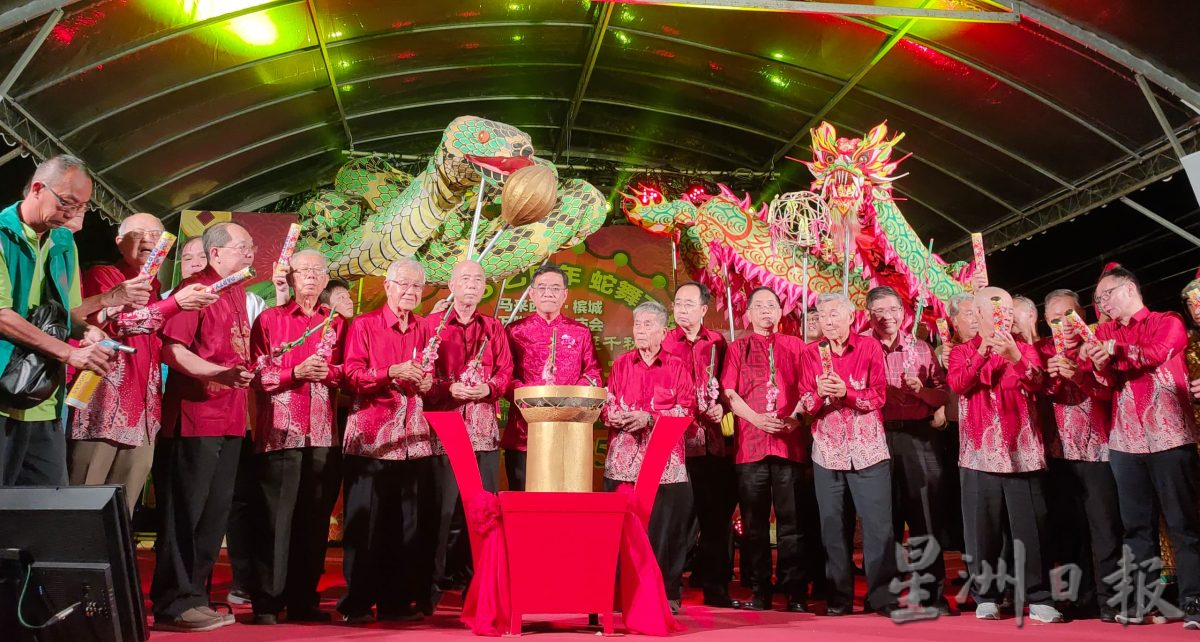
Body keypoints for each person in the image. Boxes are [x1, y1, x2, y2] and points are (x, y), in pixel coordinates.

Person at [67, 213, 217, 514]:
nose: (149, 239)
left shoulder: (157, 289)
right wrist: (175, 304)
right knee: (82, 503)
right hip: (103, 407)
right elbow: (125, 323)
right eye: (139, 233)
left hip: (144, 414)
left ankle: (116, 561)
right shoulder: (104, 276)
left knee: (122, 509)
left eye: (156, 233)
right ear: (120, 242)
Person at [150, 221, 257, 632]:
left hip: (230, 419)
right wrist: (219, 373)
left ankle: (195, 596)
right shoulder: (195, 290)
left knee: (214, 515)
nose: (250, 254)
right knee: (186, 513)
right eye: (242, 247)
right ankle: (173, 602)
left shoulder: (236, 292)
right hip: (196, 419)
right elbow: (173, 351)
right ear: (215, 254)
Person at [1088, 265, 1200, 628]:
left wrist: (1113, 350)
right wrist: (1099, 367)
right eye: (1099, 298)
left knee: (1184, 522)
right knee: (1136, 527)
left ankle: (1194, 600)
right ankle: (1142, 601)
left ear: (1130, 288)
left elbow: (1156, 353)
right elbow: (1103, 388)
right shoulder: (1104, 333)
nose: (1103, 303)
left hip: (1170, 435)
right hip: (1126, 441)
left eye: (1108, 295)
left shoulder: (1166, 321)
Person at [0, 155, 123, 486]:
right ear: (38, 188)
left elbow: (66, 315)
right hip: (2, 395)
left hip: (44, 399)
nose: (72, 214)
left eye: (81, 207)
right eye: (67, 203)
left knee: (50, 517)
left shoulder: (64, 241)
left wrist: (91, 332)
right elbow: (2, 316)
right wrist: (69, 353)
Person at [947, 286, 1062, 624]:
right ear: (977, 314)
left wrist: (1014, 356)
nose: (1004, 315)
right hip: (978, 455)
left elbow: (1040, 383)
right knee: (982, 530)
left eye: (1008, 309)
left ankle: (1038, 596)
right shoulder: (960, 352)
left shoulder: (1026, 349)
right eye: (996, 310)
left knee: (1030, 528)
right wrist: (984, 351)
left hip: (1021, 454)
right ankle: (987, 595)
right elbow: (959, 384)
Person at [246, 249, 345, 625]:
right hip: (280, 433)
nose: (310, 277)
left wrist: (329, 373)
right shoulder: (270, 319)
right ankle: (267, 603)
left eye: (318, 272)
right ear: (290, 276)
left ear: (324, 281)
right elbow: (259, 375)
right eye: (303, 271)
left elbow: (347, 374)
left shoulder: (335, 323)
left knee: (314, 521)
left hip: (322, 433)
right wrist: (296, 372)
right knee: (275, 519)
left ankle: (304, 599)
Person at [337, 258, 435, 623]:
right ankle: (357, 603)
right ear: (388, 286)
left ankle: (396, 601)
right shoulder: (365, 325)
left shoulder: (425, 328)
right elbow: (351, 375)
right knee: (366, 525)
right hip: (371, 437)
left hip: (412, 438)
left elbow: (432, 375)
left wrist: (427, 382)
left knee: (403, 525)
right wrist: (391, 371)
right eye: (403, 285)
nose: (410, 292)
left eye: (416, 287)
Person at [798, 293, 897, 617]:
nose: (828, 320)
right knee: (832, 528)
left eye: (834, 314)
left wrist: (847, 393)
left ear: (851, 317)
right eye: (823, 316)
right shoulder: (811, 353)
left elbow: (879, 395)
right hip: (828, 451)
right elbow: (805, 404)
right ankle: (839, 599)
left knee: (877, 526)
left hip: (868, 450)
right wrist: (818, 395)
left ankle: (882, 596)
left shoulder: (868, 347)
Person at [425, 259, 513, 595]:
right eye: (465, 278)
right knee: (442, 510)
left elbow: (506, 372)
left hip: (483, 434)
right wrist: (447, 388)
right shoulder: (431, 325)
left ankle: (476, 581)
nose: (472, 285)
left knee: (480, 509)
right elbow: (421, 376)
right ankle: (431, 583)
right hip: (443, 432)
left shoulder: (493, 328)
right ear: (451, 285)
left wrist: (488, 389)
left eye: (478, 279)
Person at [602, 300, 696, 613]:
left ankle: (667, 592)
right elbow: (607, 404)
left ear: (663, 331)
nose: (640, 331)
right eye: (637, 324)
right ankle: (619, 593)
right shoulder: (621, 364)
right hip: (624, 462)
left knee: (666, 531)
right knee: (620, 530)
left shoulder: (677, 366)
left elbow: (687, 410)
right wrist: (613, 416)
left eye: (648, 325)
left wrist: (650, 418)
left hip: (664, 463)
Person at [721, 287, 810, 612]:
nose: (765, 311)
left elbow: (810, 387)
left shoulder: (796, 346)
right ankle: (759, 590)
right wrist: (756, 419)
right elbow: (729, 392)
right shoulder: (738, 347)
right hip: (751, 445)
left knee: (793, 523)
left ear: (780, 310)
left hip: (789, 443)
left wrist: (796, 419)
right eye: (759, 306)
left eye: (771, 305)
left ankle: (795, 591)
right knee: (754, 525)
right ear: (748, 312)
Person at [865, 286, 951, 614]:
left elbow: (942, 395)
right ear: (869, 314)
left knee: (924, 514)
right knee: (881, 518)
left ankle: (930, 593)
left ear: (903, 313)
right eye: (879, 312)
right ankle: (885, 596)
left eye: (892, 310)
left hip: (917, 436)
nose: (887, 317)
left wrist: (922, 392)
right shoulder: (862, 346)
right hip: (875, 435)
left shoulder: (921, 348)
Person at [1038, 289, 1121, 622]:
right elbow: (1037, 388)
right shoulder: (1042, 350)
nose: (1064, 324)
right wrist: (1053, 378)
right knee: (1070, 531)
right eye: (1055, 319)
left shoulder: (1097, 344)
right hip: (1059, 453)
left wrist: (1080, 375)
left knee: (1105, 528)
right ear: (1046, 322)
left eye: (1069, 315)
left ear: (1082, 313)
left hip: (1099, 449)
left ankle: (1112, 599)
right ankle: (1080, 597)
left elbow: (1109, 389)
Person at [661, 281, 734, 607]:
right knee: (675, 522)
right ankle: (669, 592)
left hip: (713, 442)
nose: (682, 309)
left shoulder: (718, 343)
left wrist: (724, 407)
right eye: (678, 303)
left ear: (704, 309)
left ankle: (717, 590)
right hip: (674, 446)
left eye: (689, 304)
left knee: (715, 521)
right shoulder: (665, 343)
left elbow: (732, 385)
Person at [502, 264, 601, 490]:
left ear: (565, 294)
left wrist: (568, 399)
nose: (549, 293)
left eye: (555, 288)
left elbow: (593, 374)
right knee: (524, 502)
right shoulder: (515, 331)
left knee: (566, 503)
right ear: (532, 293)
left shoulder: (580, 332)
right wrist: (533, 396)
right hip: (524, 434)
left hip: (569, 431)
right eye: (542, 287)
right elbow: (506, 376)